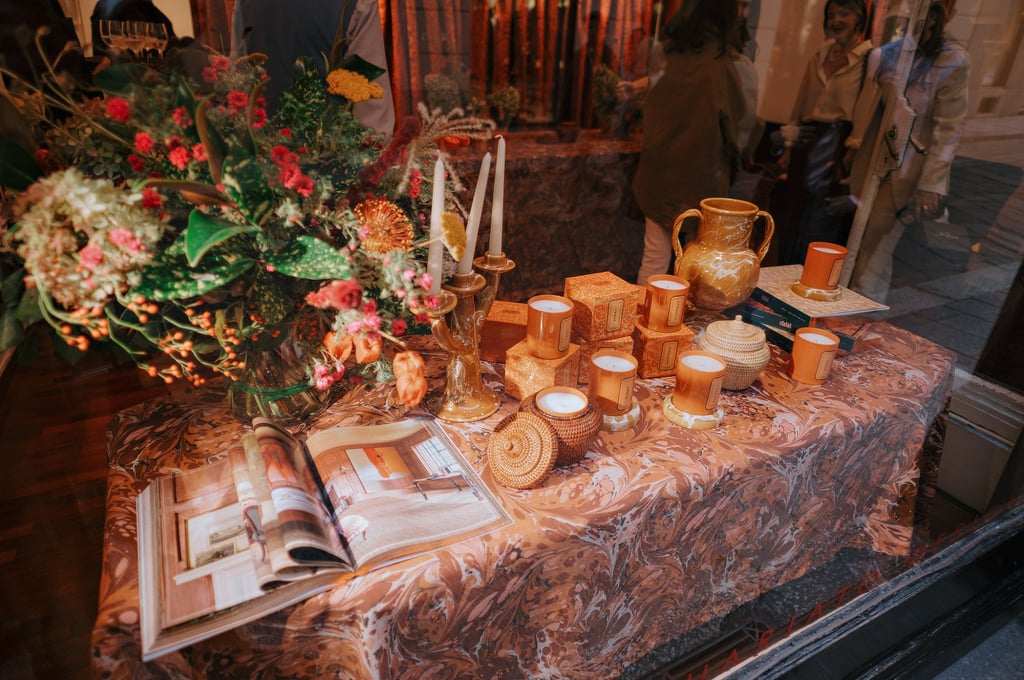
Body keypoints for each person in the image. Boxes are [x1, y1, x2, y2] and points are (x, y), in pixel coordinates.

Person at [846, 0, 970, 303]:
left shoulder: (953, 60)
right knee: (860, 245)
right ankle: (855, 306)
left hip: (905, 174)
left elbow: (947, 129)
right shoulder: (888, 54)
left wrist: (931, 184)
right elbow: (871, 113)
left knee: (875, 252)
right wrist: (853, 150)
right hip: (873, 167)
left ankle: (862, 308)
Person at [628, 0, 748, 285]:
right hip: (701, 178)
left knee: (654, 258)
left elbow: (650, 112)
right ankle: (683, 314)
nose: (743, 12)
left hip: (657, 174)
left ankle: (648, 311)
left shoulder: (668, 54)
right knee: (697, 262)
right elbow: (739, 127)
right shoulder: (721, 62)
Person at [770, 0, 873, 266]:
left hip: (838, 148)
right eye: (831, 15)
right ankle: (783, 277)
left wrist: (852, 153)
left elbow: (866, 110)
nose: (836, 20)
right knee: (791, 222)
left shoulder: (869, 60)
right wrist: (789, 147)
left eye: (844, 14)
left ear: (860, 19)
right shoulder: (820, 56)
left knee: (820, 224)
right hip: (806, 145)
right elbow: (800, 103)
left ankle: (811, 279)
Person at [230, 0, 395, 141]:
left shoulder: (245, 3)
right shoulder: (356, 3)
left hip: (264, 155)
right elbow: (373, 118)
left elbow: (238, 89)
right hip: (330, 158)